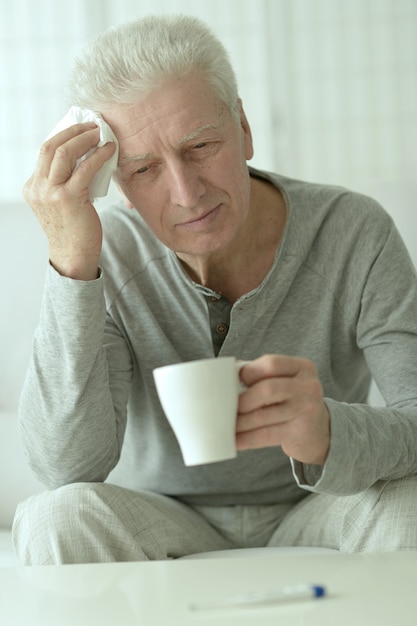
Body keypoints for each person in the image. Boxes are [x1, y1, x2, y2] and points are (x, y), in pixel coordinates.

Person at [13, 14, 417, 565]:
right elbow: (66, 470)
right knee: (53, 517)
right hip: (162, 516)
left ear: (244, 129)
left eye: (200, 145)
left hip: (320, 506)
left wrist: (329, 430)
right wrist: (72, 265)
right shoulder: (104, 256)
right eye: (145, 168)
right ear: (120, 186)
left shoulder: (353, 231)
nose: (186, 193)